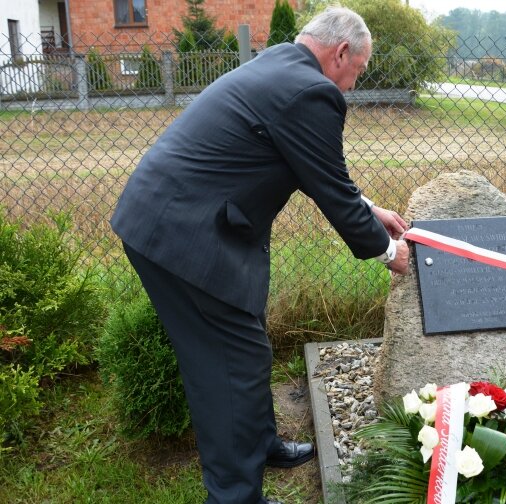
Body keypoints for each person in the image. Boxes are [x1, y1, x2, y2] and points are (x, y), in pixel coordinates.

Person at [110, 7, 410, 504]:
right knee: (225, 367)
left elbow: (314, 167)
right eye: (357, 70)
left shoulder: (282, 66)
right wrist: (386, 251)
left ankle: (258, 443)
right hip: (184, 236)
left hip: (186, 219)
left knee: (245, 347)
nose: (353, 85)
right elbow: (329, 186)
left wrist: (371, 208)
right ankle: (233, 495)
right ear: (339, 53)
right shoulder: (312, 91)